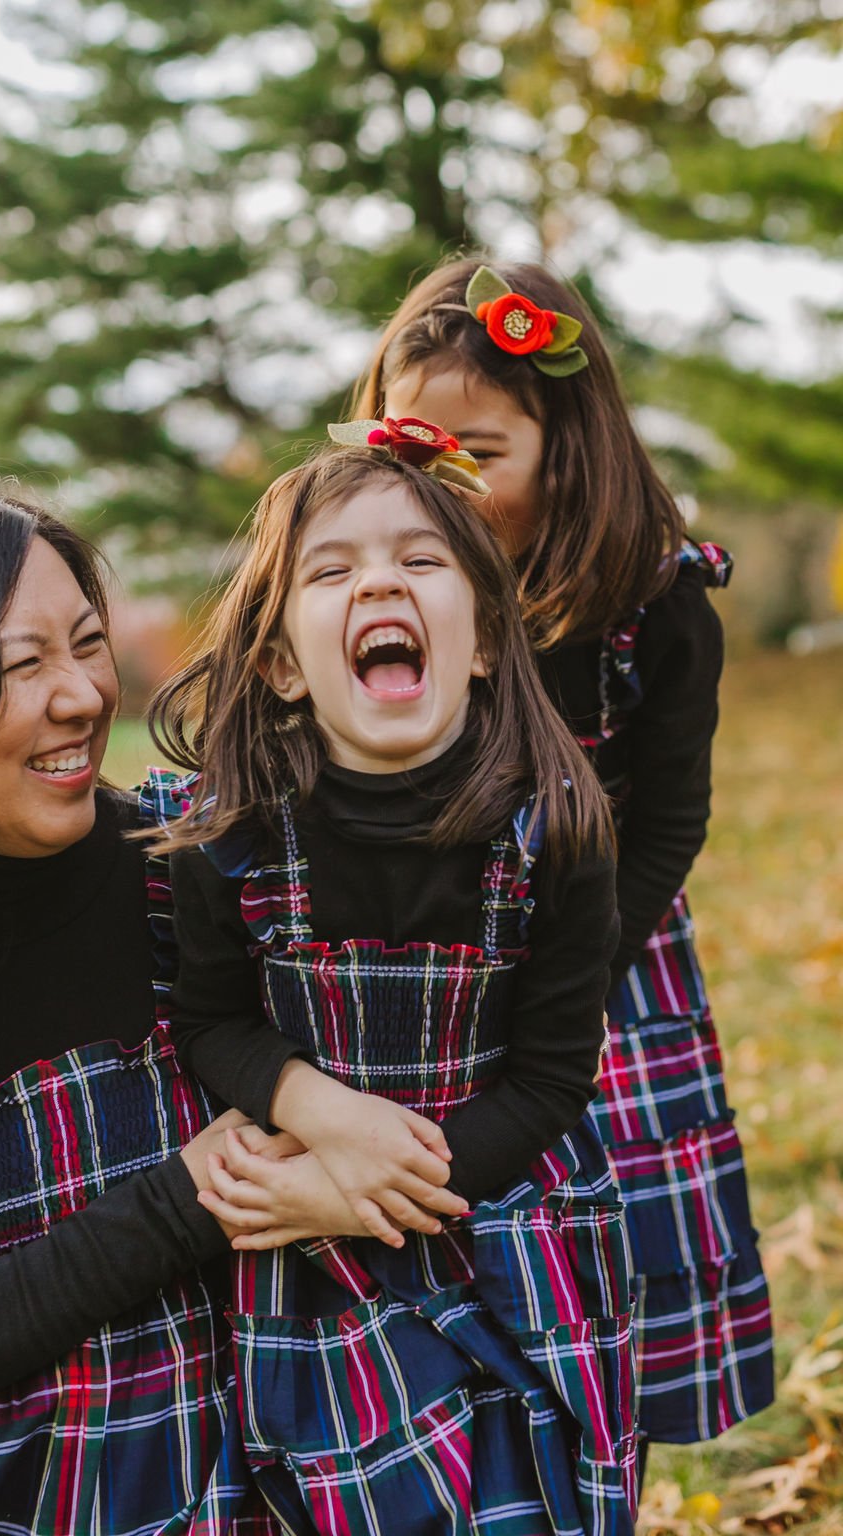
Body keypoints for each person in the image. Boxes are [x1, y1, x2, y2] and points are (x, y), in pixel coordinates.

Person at [0, 479, 361, 1536]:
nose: (80, 696)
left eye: (86, 642)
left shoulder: (200, 874)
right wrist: (182, 1203)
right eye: (22, 664)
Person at [148, 439, 639, 1535]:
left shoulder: (554, 831)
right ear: (280, 662)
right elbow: (213, 1022)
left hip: (499, 1216)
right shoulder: (227, 835)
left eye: (420, 561)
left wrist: (359, 1192)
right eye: (330, 573)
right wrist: (324, 1118)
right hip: (307, 1255)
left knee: (519, 1496)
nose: (378, 583)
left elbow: (553, 1080)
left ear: (481, 642)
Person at [352, 257, 776, 1461]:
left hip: (602, 957)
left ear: (568, 446)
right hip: (421, 955)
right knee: (441, 1219)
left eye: (480, 452)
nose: (439, 478)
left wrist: (575, 968)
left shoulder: (652, 606)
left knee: (604, 1216)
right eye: (409, 442)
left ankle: (606, 1439)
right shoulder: (383, 590)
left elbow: (670, 822)